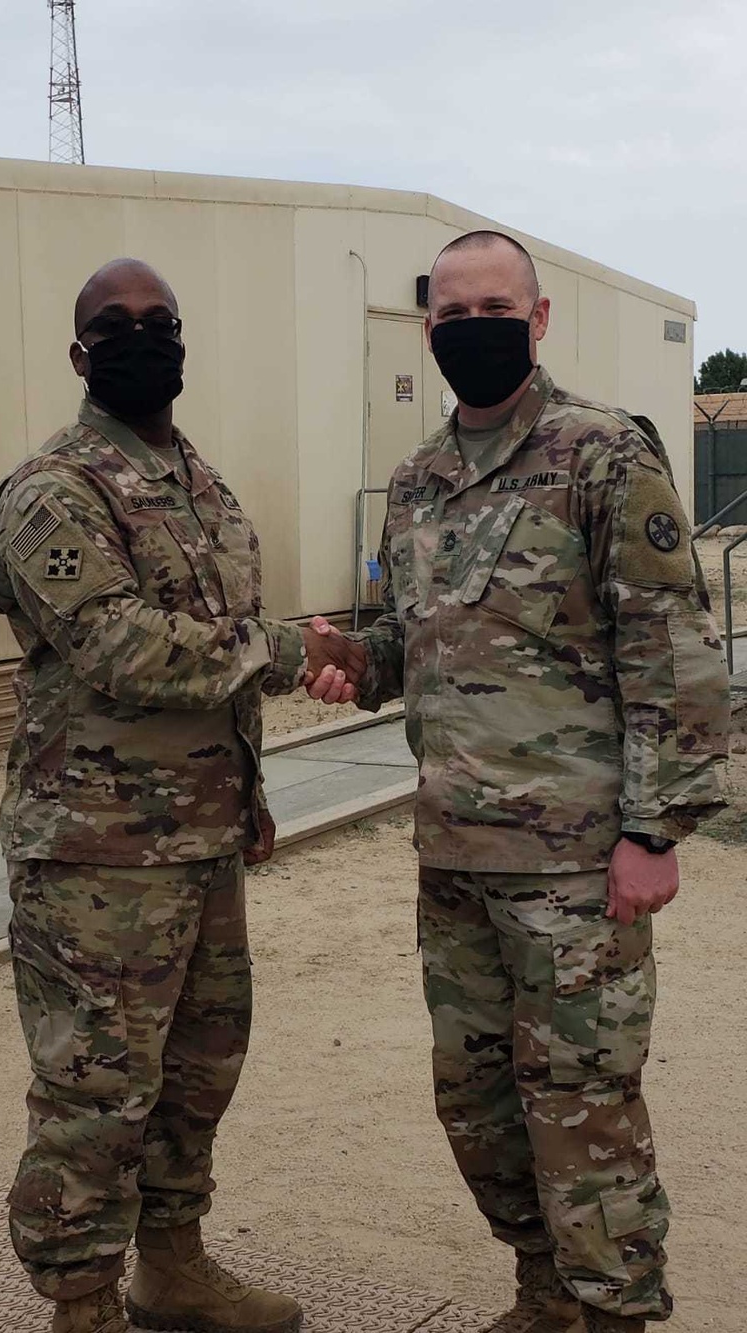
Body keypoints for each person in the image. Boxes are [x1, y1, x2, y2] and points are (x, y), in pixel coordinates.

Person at [307, 232, 729, 1332]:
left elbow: (672, 656)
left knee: (582, 1111)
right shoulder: (414, 480)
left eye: (493, 305)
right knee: (478, 1109)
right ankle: (544, 1291)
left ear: (537, 321)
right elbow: (411, 642)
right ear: (428, 330)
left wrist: (654, 829)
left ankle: (613, 1313)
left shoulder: (603, 455)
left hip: (575, 869)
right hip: (453, 859)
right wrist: (353, 659)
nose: (470, 326)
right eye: (449, 313)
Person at [0, 257, 363, 1333]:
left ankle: (173, 1265)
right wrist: (293, 651)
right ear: (79, 352)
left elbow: (213, 653)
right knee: (95, 1090)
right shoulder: (54, 489)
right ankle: (82, 1302)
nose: (141, 337)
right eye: (116, 323)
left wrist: (247, 803)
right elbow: (122, 648)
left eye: (159, 322)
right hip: (94, 857)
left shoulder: (194, 478)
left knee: (197, 1070)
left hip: (195, 840)